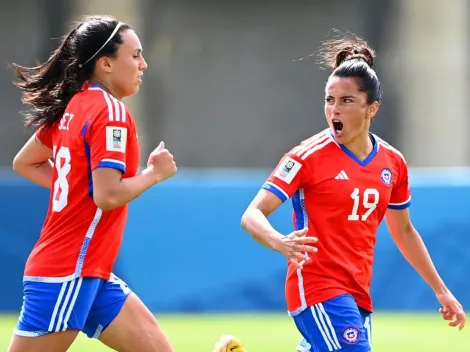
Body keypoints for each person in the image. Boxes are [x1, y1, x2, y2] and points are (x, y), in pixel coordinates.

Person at [240, 30, 466, 352]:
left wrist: (440, 290)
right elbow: (252, 214)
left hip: (357, 291)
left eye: (347, 101)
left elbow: (403, 230)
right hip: (317, 286)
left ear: (372, 109)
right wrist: (280, 241)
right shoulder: (306, 157)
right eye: (330, 100)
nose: (335, 110)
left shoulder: (393, 163)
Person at [8, 15, 178, 352]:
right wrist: (154, 175)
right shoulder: (109, 111)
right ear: (105, 63)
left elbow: (25, 163)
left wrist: (75, 186)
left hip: (89, 270)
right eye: (135, 55)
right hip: (68, 270)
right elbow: (108, 195)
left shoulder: (75, 105)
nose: (143, 64)